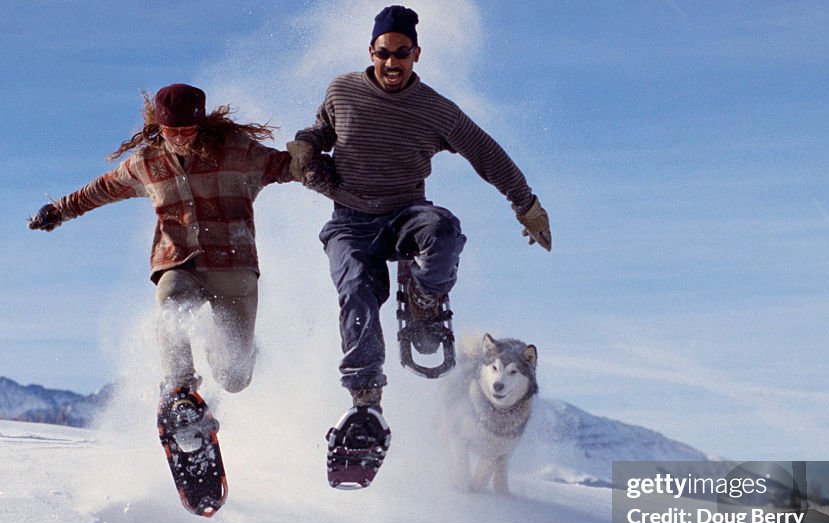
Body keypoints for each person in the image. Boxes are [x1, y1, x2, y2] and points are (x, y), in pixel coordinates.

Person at [289, 5, 552, 425]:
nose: (392, 62)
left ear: (417, 54)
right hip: (351, 221)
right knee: (356, 292)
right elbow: (321, 129)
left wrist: (526, 205)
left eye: (402, 53)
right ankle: (365, 398)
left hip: (406, 214)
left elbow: (486, 152)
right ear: (371, 51)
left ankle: (424, 298)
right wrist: (306, 142)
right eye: (384, 52)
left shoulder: (435, 109)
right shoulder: (342, 90)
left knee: (444, 230)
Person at [28, 84, 294, 424]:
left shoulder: (236, 151)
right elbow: (102, 188)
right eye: (172, 132)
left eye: (187, 131)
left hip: (233, 265)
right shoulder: (146, 163)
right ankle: (179, 392)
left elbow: (284, 166)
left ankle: (230, 352)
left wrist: (320, 171)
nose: (180, 139)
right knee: (171, 301)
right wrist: (59, 210)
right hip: (179, 260)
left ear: (201, 124)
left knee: (234, 378)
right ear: (159, 127)